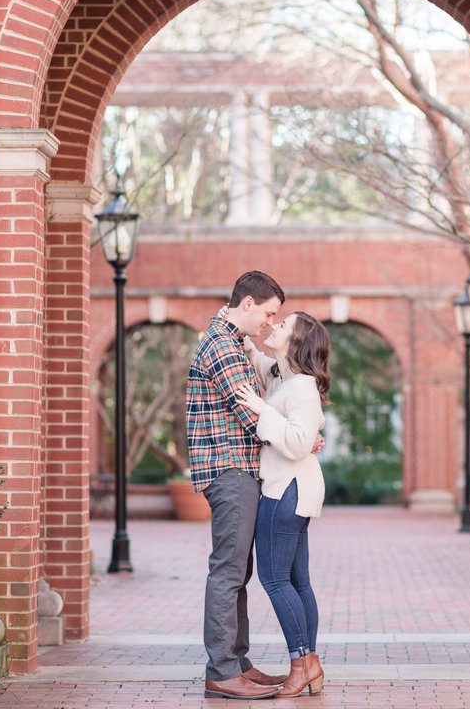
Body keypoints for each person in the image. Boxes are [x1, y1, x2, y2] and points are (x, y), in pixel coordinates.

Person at [187, 270, 287, 700]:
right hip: (230, 470)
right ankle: (222, 670)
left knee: (236, 572)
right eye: (268, 313)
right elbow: (253, 415)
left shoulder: (228, 341)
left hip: (236, 468)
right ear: (247, 304)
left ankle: (237, 663)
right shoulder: (223, 345)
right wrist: (301, 436)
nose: (269, 322)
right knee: (228, 571)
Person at [234, 311, 330, 698]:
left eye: (283, 325)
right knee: (297, 582)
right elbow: (258, 360)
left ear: (296, 343)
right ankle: (311, 664)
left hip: (287, 488)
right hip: (289, 487)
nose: (274, 326)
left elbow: (298, 441)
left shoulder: (302, 387)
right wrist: (240, 330)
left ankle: (301, 663)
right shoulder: (282, 376)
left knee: (275, 580)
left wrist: (261, 410)